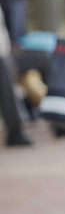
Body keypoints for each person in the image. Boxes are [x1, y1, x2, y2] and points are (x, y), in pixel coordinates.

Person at [0, 8, 32, 146]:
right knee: (4, 66)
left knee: (46, 58)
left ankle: (59, 121)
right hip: (3, 61)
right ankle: (15, 130)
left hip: (8, 54)